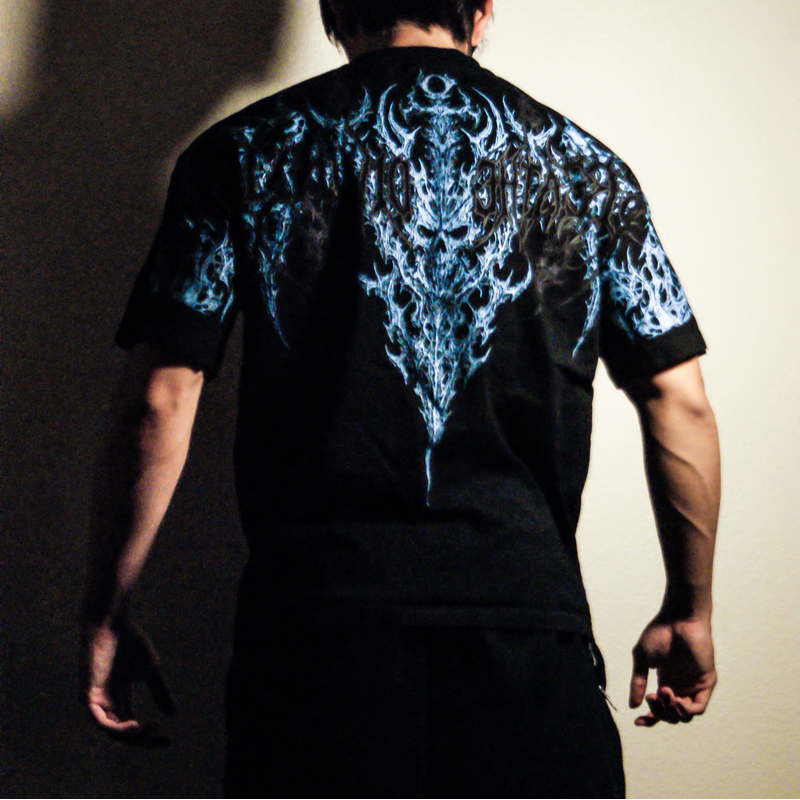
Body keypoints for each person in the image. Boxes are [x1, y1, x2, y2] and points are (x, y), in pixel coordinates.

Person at [81, 1, 721, 797]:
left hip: (318, 645)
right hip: (524, 638)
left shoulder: (242, 153)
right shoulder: (588, 170)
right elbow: (680, 402)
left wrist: (106, 608)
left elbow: (159, 400)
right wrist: (690, 608)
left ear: (337, 8)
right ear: (481, 10)